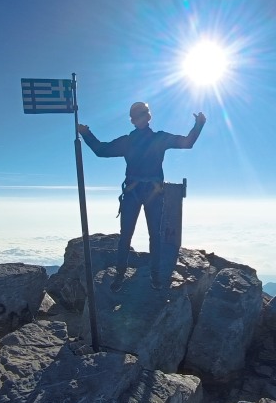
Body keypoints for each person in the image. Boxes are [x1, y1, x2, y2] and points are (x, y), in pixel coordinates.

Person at [78, 101, 206, 291]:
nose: (140, 119)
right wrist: (86, 134)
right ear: (134, 120)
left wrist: (199, 125)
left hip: (136, 192)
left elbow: (187, 143)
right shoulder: (150, 139)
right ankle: (131, 276)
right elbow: (101, 151)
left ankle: (146, 277)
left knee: (147, 236)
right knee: (133, 236)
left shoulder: (134, 141)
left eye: (142, 115)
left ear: (147, 117)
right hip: (146, 193)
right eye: (137, 116)